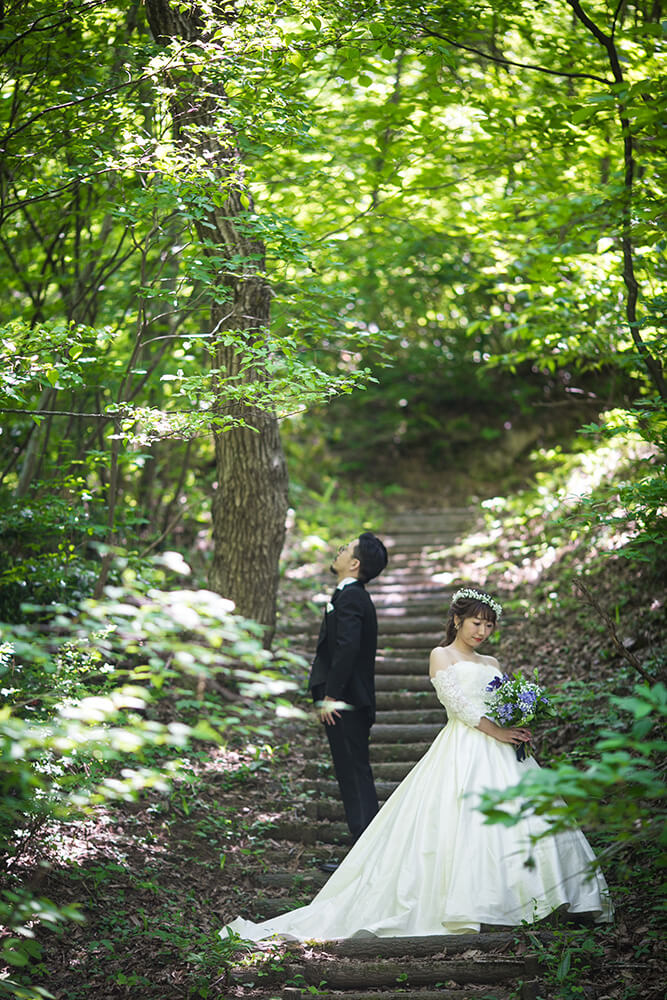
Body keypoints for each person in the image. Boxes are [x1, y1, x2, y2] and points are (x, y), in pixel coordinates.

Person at [223, 587, 612, 941]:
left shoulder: (491, 660)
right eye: (476, 623)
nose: (482, 632)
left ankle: (538, 901)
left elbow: (495, 701)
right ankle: (472, 905)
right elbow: (459, 706)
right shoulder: (440, 655)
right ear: (457, 620)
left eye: (489, 625)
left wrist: (516, 722)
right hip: (464, 746)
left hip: (502, 748)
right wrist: (497, 731)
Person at [308, 531, 388, 848]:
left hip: (346, 701)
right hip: (347, 699)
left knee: (353, 774)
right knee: (351, 772)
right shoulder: (348, 594)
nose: (338, 551)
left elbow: (347, 647)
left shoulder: (352, 596)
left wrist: (331, 695)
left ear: (354, 564)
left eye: (345, 549)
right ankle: (363, 852)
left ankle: (365, 852)